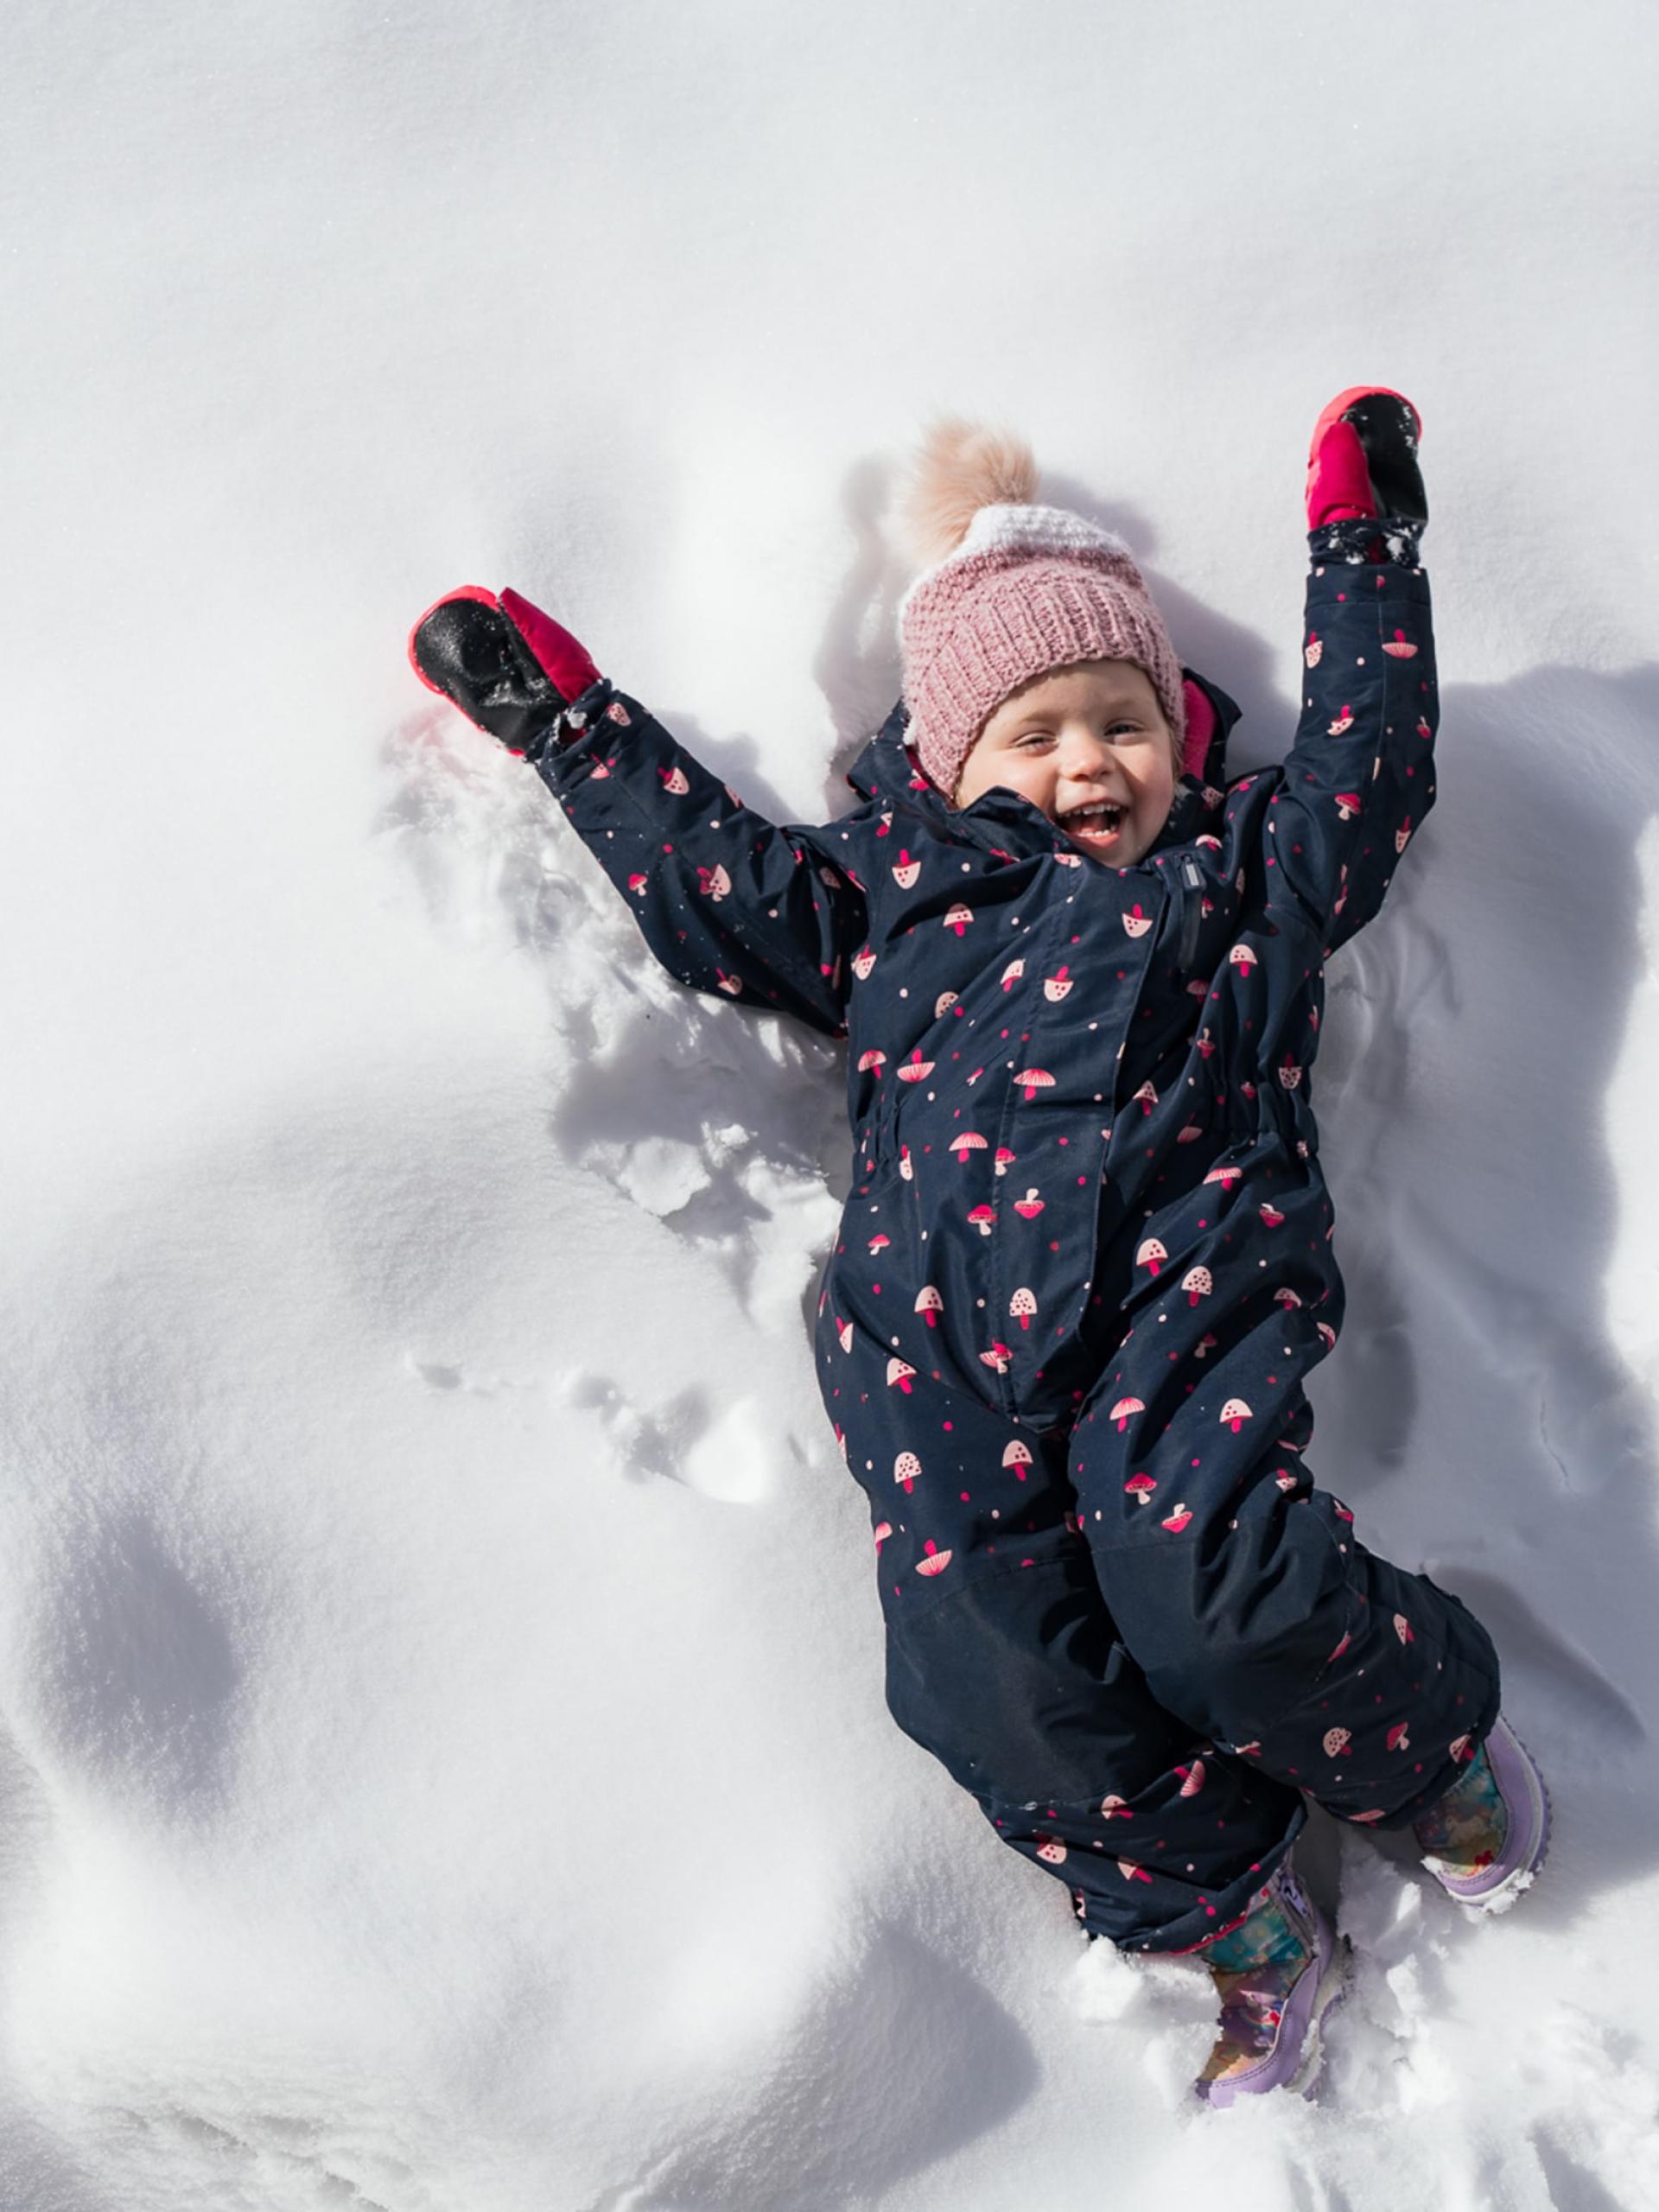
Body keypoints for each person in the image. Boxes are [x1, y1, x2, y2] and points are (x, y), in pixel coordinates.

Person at [408, 391, 1548, 2106]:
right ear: (946, 765)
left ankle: (1419, 1742)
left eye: (1121, 724)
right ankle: (1223, 1903)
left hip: (1182, 1307)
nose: (1087, 763)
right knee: (982, 1666)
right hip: (938, 1353)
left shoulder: (1243, 872)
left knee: (1217, 1589)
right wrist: (577, 732)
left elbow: (1373, 768)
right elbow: (711, 884)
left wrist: (1362, 546)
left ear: (1178, 737)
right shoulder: (884, 900)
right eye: (1037, 733)